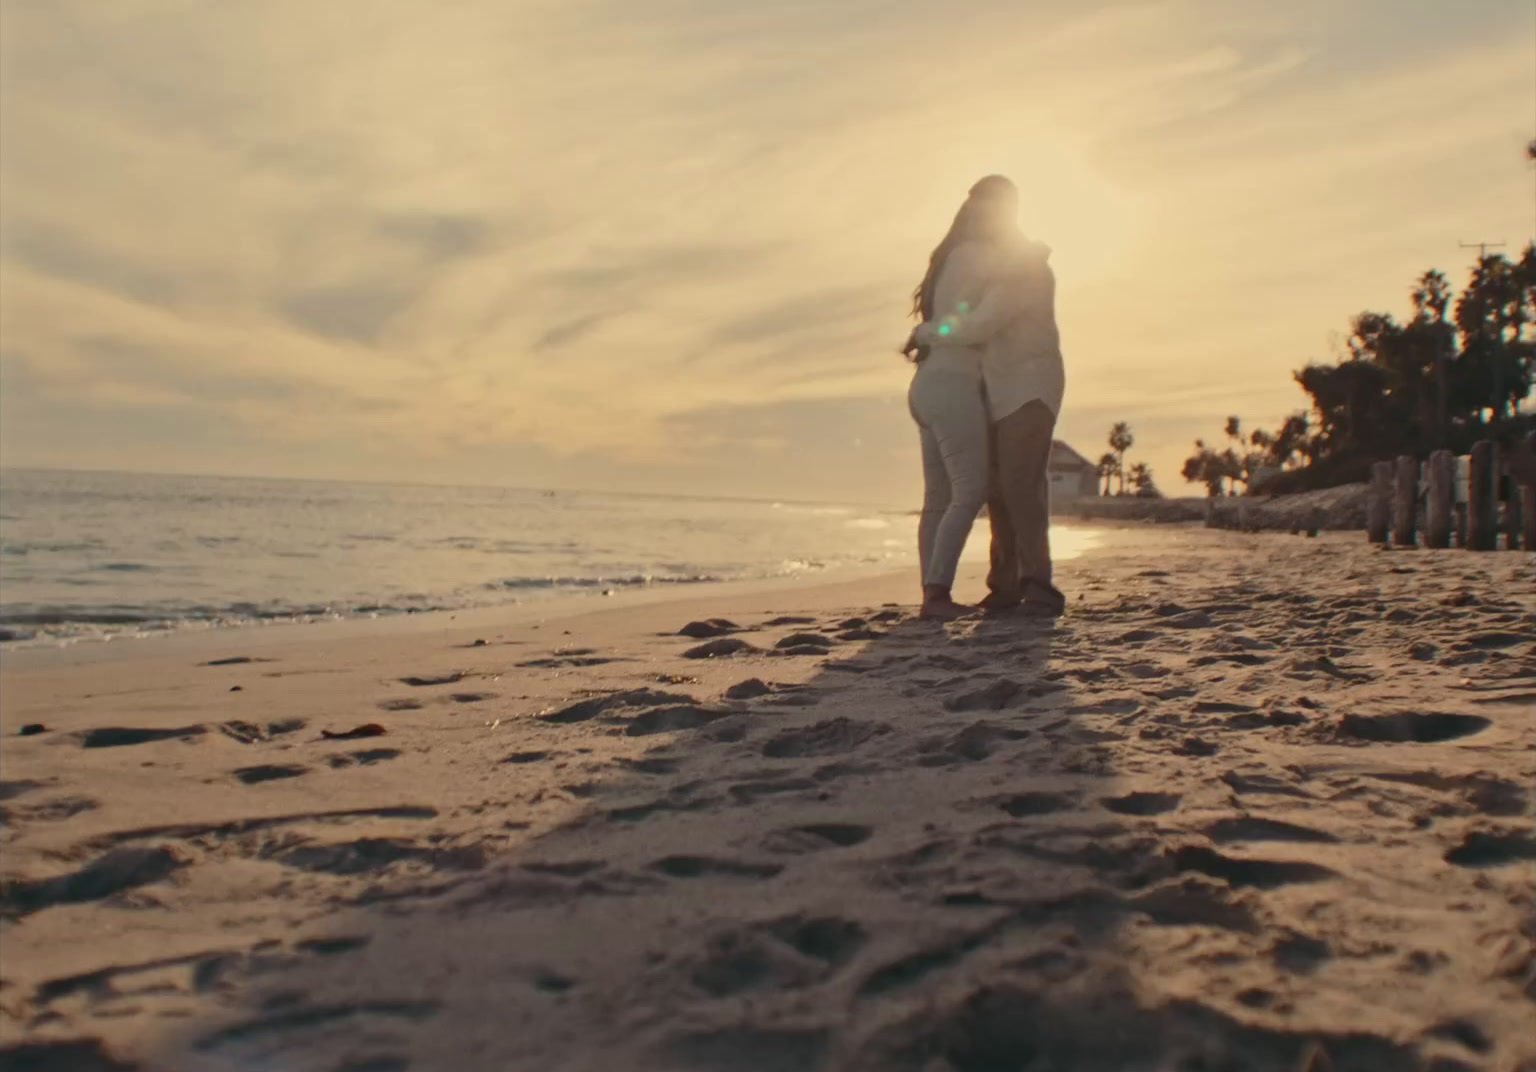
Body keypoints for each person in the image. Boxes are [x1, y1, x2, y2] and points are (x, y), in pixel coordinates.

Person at [909, 175, 1067, 618]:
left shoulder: (1024, 267)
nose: (985, 218)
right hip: (994, 389)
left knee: (1019, 485)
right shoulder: (1003, 262)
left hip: (1029, 385)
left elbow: (981, 324)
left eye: (994, 210)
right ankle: (1004, 586)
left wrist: (925, 332)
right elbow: (971, 318)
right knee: (997, 488)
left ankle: (1038, 586)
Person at [901, 178, 1019, 620]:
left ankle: (931, 593)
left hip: (926, 386)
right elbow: (978, 325)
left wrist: (927, 334)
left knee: (938, 498)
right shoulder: (981, 258)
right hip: (953, 384)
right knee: (970, 491)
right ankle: (936, 595)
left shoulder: (948, 257)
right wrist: (927, 333)